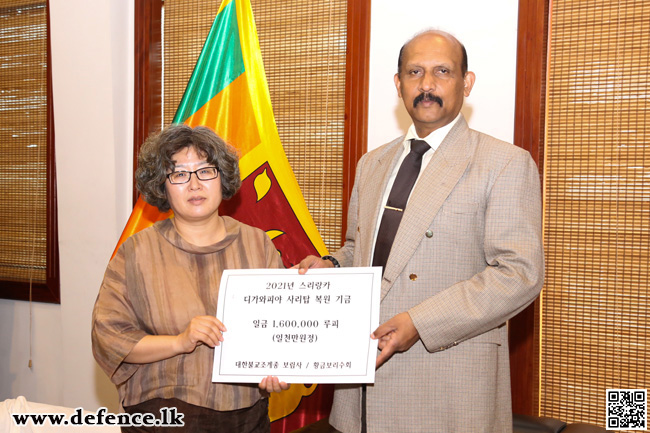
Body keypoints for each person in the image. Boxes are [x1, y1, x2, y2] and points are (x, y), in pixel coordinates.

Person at [296, 30, 544, 432]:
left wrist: (420, 323)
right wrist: (331, 266)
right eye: (415, 72)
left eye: (442, 71)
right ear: (399, 84)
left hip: (446, 387)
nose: (427, 85)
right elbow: (362, 250)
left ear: (467, 82)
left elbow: (519, 274)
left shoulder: (504, 163)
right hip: (360, 390)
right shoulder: (371, 164)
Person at [92, 124, 288, 433]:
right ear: (163, 185)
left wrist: (277, 366)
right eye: (179, 174)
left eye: (206, 171)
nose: (194, 185)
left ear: (222, 177)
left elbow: (281, 327)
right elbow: (110, 338)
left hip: (246, 419)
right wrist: (180, 342)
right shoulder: (137, 251)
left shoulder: (257, 244)